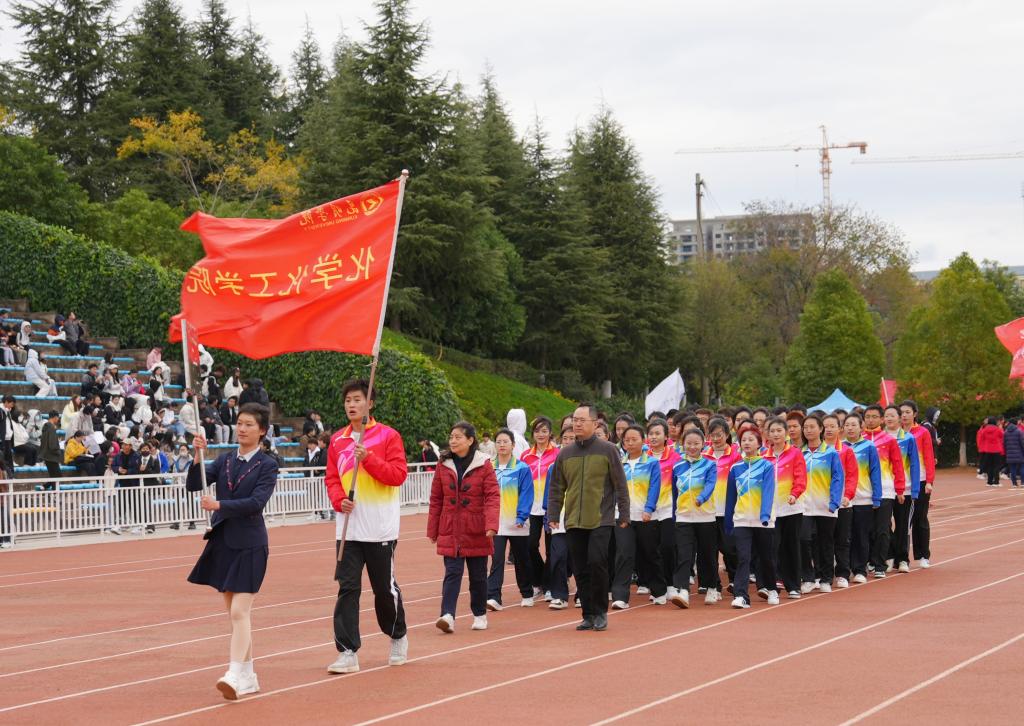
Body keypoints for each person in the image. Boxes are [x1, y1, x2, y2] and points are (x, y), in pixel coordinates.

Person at [185, 403, 278, 700]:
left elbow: (256, 503)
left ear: (262, 431)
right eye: (239, 423)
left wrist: (219, 505)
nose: (242, 429)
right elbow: (194, 483)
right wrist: (197, 455)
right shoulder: (225, 460)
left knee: (240, 611)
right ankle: (249, 675)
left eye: (249, 424)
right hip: (224, 541)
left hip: (250, 544)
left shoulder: (267, 465)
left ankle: (235, 673)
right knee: (236, 615)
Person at [325, 379, 409, 675]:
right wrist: (339, 500)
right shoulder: (338, 440)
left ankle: (397, 635)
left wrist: (369, 459)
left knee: (383, 590)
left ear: (370, 403)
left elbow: (398, 475)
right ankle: (347, 651)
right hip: (348, 528)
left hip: (379, 528)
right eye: (348, 400)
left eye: (357, 399)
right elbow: (331, 478)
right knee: (348, 588)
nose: (352, 404)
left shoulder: (388, 436)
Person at [547, 403, 629, 632]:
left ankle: (601, 612)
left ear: (595, 423)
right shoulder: (565, 453)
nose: (577, 424)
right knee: (580, 568)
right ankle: (588, 614)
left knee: (597, 563)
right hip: (574, 519)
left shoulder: (608, 450)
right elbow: (557, 486)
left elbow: (620, 485)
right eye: (575, 420)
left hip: (601, 518)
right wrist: (553, 513)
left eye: (582, 420)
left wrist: (624, 513)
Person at [428, 422, 500, 633]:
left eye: (458, 437)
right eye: (451, 437)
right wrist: (433, 529)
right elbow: (436, 498)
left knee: (478, 576)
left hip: (476, 528)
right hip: (451, 528)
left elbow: (492, 496)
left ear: (470, 440)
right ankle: (447, 615)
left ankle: (479, 614)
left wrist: (491, 524)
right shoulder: (443, 464)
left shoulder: (483, 464)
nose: (453, 441)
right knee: (452, 572)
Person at [611, 425, 665, 609]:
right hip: (623, 517)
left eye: (634, 439)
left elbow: (654, 487)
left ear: (643, 441)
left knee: (650, 554)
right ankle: (620, 596)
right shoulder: (618, 464)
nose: (630, 443)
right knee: (624, 554)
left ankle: (658, 590)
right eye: (627, 440)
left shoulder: (651, 463)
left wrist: (649, 509)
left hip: (646, 516)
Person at [724, 424, 777, 608]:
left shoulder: (767, 466)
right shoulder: (735, 468)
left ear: (759, 444)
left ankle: (771, 588)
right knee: (743, 558)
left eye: (750, 440)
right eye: (743, 440)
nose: (746, 443)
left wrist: (765, 514)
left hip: (763, 521)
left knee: (766, 558)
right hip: (742, 520)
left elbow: (768, 491)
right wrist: (728, 521)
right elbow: (731, 497)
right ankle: (741, 596)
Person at [486, 428, 535, 612]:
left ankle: (527, 593)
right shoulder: (488, 467)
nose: (502, 445)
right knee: (497, 559)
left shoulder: (522, 468)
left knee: (522, 560)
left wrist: (522, 516)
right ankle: (493, 597)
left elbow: (527, 494)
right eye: (498, 442)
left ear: (513, 445)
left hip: (517, 523)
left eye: (505, 441)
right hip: (496, 524)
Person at [670, 428, 719, 607]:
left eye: (696, 443)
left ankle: (712, 587)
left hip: (705, 517)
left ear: (703, 444)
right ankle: (683, 590)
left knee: (707, 555)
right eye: (689, 443)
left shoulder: (709, 465)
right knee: (683, 555)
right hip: (683, 517)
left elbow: (711, 484)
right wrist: (675, 513)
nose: (692, 447)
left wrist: (701, 498)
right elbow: (675, 492)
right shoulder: (677, 466)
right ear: (683, 444)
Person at [763, 417, 807, 599]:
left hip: (791, 508)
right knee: (772, 547)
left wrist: (794, 494)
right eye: (772, 431)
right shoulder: (764, 457)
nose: (776, 434)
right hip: (771, 510)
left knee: (791, 547)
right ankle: (773, 583)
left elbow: (801, 477)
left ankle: (794, 585)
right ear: (768, 435)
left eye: (779, 431)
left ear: (786, 433)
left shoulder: (795, 453)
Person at [800, 415, 844, 593]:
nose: (808, 430)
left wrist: (834, 501)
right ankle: (808, 578)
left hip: (825, 505)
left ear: (820, 429)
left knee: (825, 543)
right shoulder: (799, 453)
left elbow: (838, 477)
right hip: (803, 506)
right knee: (804, 540)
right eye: (806, 427)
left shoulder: (831, 453)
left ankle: (826, 578)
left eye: (812, 427)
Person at [863, 405, 906, 578]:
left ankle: (880, 564)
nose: (871, 420)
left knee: (882, 529)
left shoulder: (889, 440)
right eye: (868, 416)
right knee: (867, 529)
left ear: (881, 419)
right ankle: (870, 560)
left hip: (885, 491)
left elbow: (897, 465)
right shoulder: (860, 441)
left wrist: (900, 489)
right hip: (864, 491)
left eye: (874, 416)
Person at [521, 416, 559, 600]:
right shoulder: (525, 456)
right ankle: (539, 580)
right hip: (531, 508)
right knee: (530, 545)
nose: (541, 434)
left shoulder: (558, 454)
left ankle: (549, 585)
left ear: (550, 433)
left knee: (552, 548)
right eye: (537, 431)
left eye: (544, 431)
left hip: (551, 507)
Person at [705, 416, 742, 596]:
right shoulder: (704, 456)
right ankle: (715, 585)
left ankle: (735, 579)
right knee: (710, 550)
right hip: (708, 511)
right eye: (713, 435)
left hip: (728, 510)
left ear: (727, 435)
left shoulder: (736, 456)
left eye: (719, 434)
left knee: (730, 548)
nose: (716, 438)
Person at [645, 419, 681, 599]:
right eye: (651, 434)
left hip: (668, 509)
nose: (653, 437)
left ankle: (671, 583)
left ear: (666, 436)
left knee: (667, 546)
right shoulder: (643, 457)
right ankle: (657, 587)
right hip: (647, 510)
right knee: (651, 550)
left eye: (657, 433)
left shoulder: (675, 458)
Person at [823, 413, 858, 588]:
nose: (829, 429)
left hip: (843, 503)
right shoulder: (815, 451)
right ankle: (824, 575)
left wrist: (847, 495)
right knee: (824, 541)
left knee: (842, 540)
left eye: (832, 426)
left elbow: (852, 475)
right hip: (821, 503)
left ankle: (843, 573)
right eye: (826, 426)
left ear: (840, 429)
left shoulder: (846, 451)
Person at [543, 426, 576, 610]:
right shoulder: (553, 467)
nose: (568, 442)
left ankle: (582, 595)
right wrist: (549, 516)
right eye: (565, 438)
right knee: (558, 557)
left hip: (581, 519)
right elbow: (549, 494)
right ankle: (559, 595)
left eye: (572, 438)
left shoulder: (585, 463)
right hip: (559, 520)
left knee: (579, 559)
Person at [885, 405, 920, 573]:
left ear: (899, 418)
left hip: (904, 489)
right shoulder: (879, 439)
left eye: (892, 415)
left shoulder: (908, 438)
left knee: (902, 525)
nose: (889, 418)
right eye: (887, 415)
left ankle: (903, 559)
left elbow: (914, 464)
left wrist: (915, 489)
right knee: (883, 525)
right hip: (884, 489)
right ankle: (889, 554)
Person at [977, 417, 1005, 487]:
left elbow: (982, 437)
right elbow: (1002, 435)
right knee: (996, 466)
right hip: (996, 449)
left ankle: (989, 482)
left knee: (990, 466)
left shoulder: (984, 429)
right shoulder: (997, 429)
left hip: (987, 449)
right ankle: (996, 482)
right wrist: (1000, 428)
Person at [40, 410, 62, 487]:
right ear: (55, 417)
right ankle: (53, 491)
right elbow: (52, 444)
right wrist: (58, 451)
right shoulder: (51, 428)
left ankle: (45, 486)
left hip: (47, 455)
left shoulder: (46, 426)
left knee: (54, 476)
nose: (58, 419)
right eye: (58, 417)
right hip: (52, 456)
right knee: (57, 476)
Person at [1003, 417, 1024, 489]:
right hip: (1019, 452)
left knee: (1012, 469)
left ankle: (1014, 483)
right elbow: (1022, 443)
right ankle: (1023, 483)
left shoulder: (1006, 432)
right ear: (1016, 423)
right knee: (1022, 467)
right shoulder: (1019, 431)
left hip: (1009, 453)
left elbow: (1004, 444)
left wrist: (1006, 452)